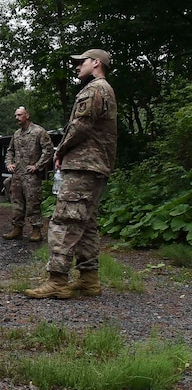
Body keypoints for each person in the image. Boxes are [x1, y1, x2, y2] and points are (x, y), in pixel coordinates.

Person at [26, 49, 118, 299]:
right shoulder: (104, 89)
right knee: (86, 223)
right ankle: (89, 280)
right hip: (93, 166)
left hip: (83, 166)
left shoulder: (94, 90)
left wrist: (60, 150)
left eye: (81, 62)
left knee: (65, 220)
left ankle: (57, 280)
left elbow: (80, 126)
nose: (77, 67)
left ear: (96, 63)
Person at [2, 106, 55, 243]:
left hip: (31, 176)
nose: (17, 118)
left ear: (27, 115)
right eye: (16, 115)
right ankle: (17, 229)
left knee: (33, 203)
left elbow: (48, 150)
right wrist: (9, 163)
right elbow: (10, 151)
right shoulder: (16, 134)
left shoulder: (38, 132)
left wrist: (37, 166)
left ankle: (36, 230)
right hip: (17, 175)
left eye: (19, 115)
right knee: (17, 203)